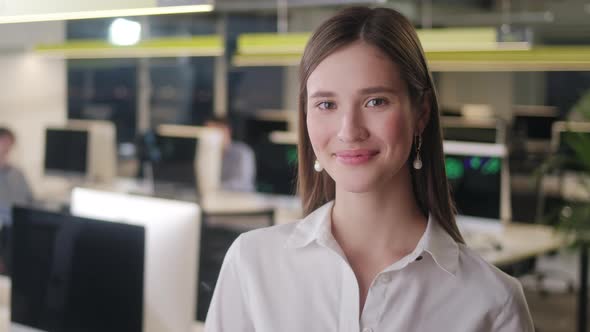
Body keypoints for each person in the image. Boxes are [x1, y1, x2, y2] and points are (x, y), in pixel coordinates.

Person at [205, 7, 533, 331]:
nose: (349, 131)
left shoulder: (493, 302)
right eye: (326, 104)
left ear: (421, 112)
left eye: (375, 101)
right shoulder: (252, 262)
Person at [205, 116, 256, 192]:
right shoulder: (207, 154)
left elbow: (242, 183)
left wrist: (213, 187)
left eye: (212, 132)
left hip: (240, 200)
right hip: (215, 199)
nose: (208, 137)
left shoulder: (242, 152)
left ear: (226, 131)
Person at [0, 126, 33, 210]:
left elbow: (30, 200)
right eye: (3, 141)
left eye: (9, 142)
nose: (6, 146)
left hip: (19, 219)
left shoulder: (17, 173)